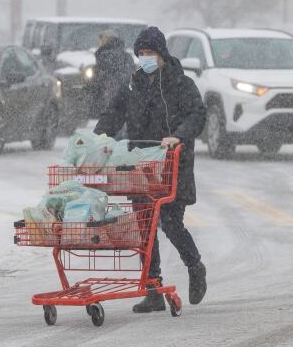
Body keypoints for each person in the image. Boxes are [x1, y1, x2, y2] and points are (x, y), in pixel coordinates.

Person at [94, 26, 208, 313]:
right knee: (145, 227)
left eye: (150, 53)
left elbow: (197, 114)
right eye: (141, 53)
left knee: (170, 223)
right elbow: (113, 113)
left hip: (172, 166)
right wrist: (99, 137)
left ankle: (195, 267)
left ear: (162, 54)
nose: (145, 58)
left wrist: (178, 136)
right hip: (141, 166)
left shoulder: (180, 83)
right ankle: (153, 289)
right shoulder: (133, 85)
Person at [88, 30, 135, 119]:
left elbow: (98, 77)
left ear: (106, 40)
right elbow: (132, 74)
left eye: (101, 39)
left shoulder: (102, 55)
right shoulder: (127, 55)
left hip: (106, 97)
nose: (99, 42)